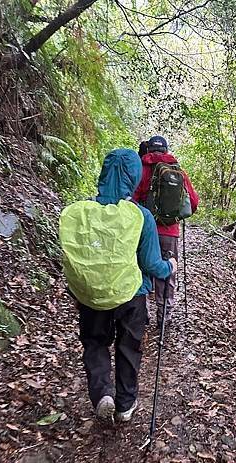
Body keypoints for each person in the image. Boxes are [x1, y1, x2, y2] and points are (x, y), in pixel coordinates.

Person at [77, 149, 177, 422]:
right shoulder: (140, 217)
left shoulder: (83, 211)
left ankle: (102, 396)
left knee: (95, 343)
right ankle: (125, 404)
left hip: (92, 295)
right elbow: (152, 266)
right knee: (128, 346)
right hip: (131, 296)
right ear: (133, 177)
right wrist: (170, 266)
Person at [133, 135, 199, 327]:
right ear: (166, 150)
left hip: (144, 229)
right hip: (169, 232)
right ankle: (164, 315)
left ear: (149, 149)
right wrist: (175, 216)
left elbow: (133, 200)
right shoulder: (177, 171)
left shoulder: (141, 169)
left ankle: (141, 312)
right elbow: (193, 203)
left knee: (142, 267)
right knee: (167, 271)